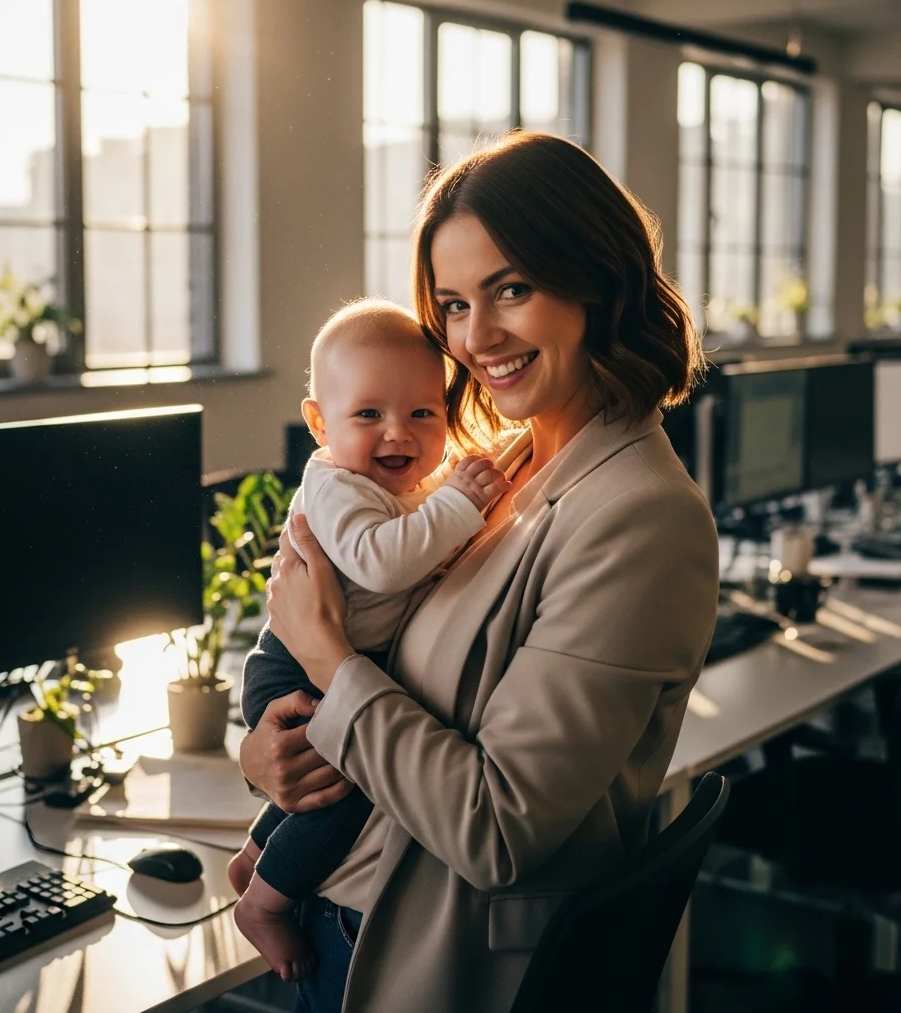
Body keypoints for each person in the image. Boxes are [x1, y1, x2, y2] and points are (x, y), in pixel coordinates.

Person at [239, 130, 721, 1013]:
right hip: (345, 908)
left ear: (596, 279)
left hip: (431, 961)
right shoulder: (502, 463)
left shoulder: (641, 517)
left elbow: (498, 828)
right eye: (454, 304)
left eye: (512, 289)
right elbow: (378, 664)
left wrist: (324, 659)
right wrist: (266, 752)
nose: (476, 336)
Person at [229, 298, 510, 982]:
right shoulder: (335, 487)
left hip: (327, 660)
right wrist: (459, 505)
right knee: (352, 784)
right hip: (293, 665)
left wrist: (445, 507)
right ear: (320, 424)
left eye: (423, 414)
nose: (399, 435)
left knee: (330, 776)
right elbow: (384, 561)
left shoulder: (394, 490)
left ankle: (255, 856)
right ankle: (265, 903)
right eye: (368, 415)